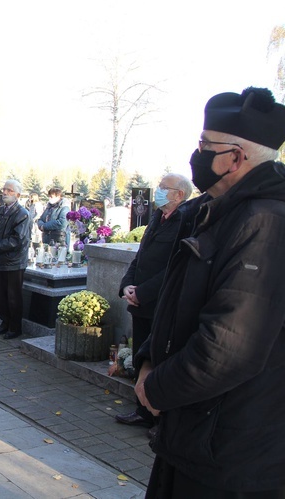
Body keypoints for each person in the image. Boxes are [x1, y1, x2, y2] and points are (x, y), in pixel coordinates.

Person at [134, 87, 285, 497]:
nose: (197, 154)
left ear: (235, 157)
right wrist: (148, 357)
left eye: (205, 146)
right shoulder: (215, 210)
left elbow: (230, 346)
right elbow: (176, 296)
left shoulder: (265, 224)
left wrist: (156, 387)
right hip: (193, 432)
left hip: (228, 448)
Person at [113, 173, 192, 434]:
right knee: (140, 356)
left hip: (162, 303)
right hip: (141, 302)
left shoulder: (185, 221)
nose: (158, 191)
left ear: (178, 194)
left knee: (159, 360)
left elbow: (174, 267)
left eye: (163, 188)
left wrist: (143, 292)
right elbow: (141, 257)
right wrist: (127, 286)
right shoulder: (157, 217)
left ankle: (161, 419)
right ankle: (143, 411)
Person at [0, 179, 31, 340]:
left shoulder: (22, 214)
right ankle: (5, 323)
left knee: (13, 296)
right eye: (4, 189)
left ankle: (15, 327)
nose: (5, 192)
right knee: (1, 295)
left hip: (14, 262)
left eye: (9, 190)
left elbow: (18, 239)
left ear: (18, 194)